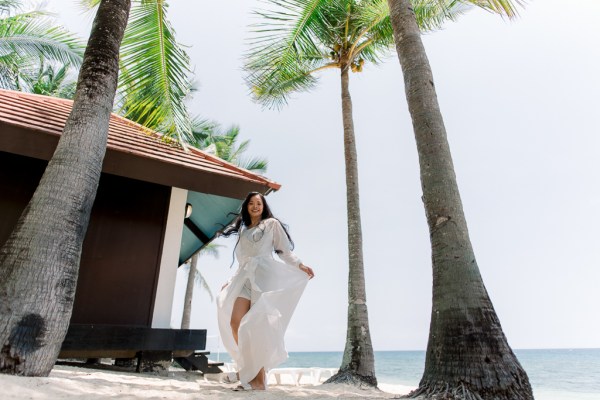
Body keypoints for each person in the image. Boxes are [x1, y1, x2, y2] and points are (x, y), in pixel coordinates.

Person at [216, 192, 315, 391]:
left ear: (263, 206)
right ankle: (250, 371)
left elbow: (284, 250)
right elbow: (243, 261)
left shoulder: (271, 224)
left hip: (264, 278)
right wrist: (229, 281)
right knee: (236, 322)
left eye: (258, 203)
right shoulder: (244, 232)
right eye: (251, 203)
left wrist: (300, 265)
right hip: (245, 278)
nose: (255, 206)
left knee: (257, 328)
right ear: (246, 208)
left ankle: (257, 380)